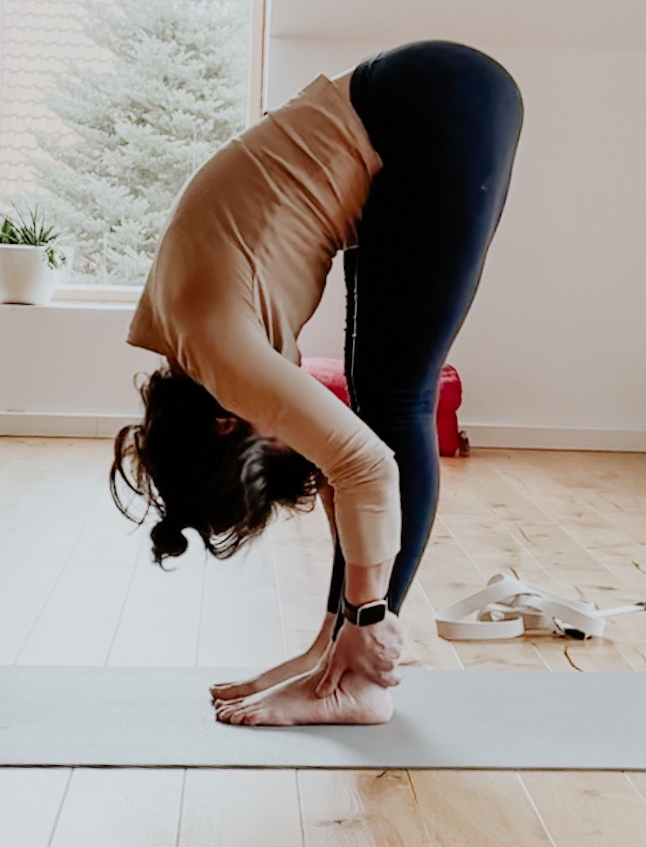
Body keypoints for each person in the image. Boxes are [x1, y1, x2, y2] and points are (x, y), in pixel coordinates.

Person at [110, 39, 524, 726]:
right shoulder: (182, 336)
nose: (287, 445)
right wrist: (331, 632)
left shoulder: (227, 358)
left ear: (224, 426)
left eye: (267, 455)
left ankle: (362, 679)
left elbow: (364, 466)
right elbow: (336, 463)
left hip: (433, 109)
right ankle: (331, 653)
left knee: (395, 403)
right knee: (378, 405)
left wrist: (366, 613)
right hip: (414, 102)